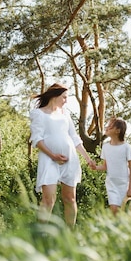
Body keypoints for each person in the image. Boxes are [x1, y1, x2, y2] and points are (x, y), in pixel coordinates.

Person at [29, 83, 96, 227]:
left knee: (70, 198)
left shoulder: (65, 113)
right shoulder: (39, 114)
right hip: (49, 160)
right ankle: (40, 234)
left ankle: (69, 234)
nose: (66, 100)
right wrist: (53, 156)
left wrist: (87, 158)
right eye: (64, 97)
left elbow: (74, 137)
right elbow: (37, 139)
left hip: (69, 160)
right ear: (55, 95)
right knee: (48, 199)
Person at [91, 117, 131, 216]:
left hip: (124, 185)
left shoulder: (126, 147)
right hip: (112, 185)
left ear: (118, 131)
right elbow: (105, 166)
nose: (107, 127)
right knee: (114, 211)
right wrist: (95, 167)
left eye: (110, 126)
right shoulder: (105, 147)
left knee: (126, 212)